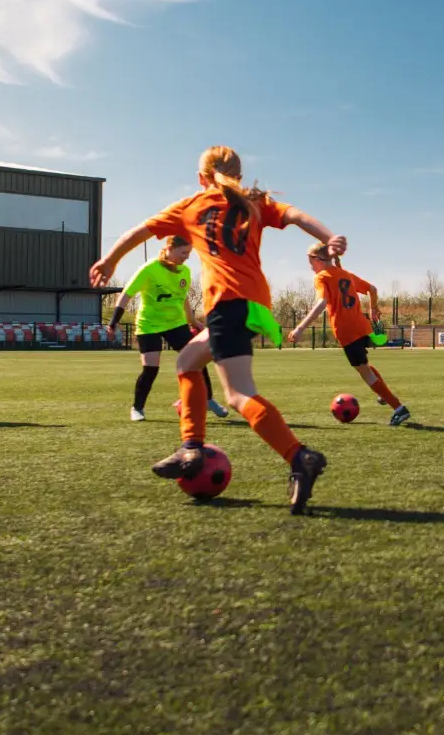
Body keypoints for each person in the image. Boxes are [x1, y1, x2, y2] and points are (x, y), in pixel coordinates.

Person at [90, 146, 345, 514]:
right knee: (188, 362)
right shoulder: (254, 201)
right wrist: (330, 236)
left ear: (201, 177)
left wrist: (110, 259)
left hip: (227, 303)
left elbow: (138, 231)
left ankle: (299, 456)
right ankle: (191, 448)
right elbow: (296, 215)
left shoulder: (191, 205)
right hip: (254, 304)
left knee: (238, 395)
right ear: (239, 176)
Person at [287, 245, 412, 426]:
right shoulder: (345, 274)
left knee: (365, 373)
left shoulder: (321, 277)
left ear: (318, 260)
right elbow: (373, 289)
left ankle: (399, 409)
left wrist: (300, 328)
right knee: (365, 366)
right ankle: (383, 395)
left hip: (346, 331)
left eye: (311, 262)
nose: (310, 267)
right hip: (362, 326)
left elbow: (322, 302)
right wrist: (373, 308)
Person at [108, 236, 227, 422]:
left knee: (198, 359)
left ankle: (208, 399)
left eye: (189, 253)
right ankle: (137, 408)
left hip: (175, 323)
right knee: (151, 368)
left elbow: (183, 298)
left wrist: (192, 321)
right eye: (183, 253)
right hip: (149, 324)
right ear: (170, 248)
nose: (186, 257)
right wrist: (113, 322)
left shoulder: (185, 272)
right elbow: (126, 295)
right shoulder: (149, 269)